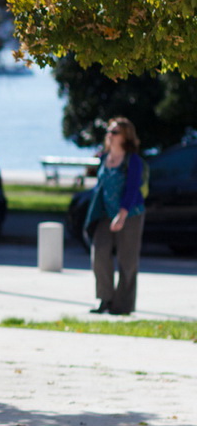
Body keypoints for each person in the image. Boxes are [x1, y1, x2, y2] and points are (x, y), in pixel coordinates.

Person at [83, 117, 146, 315]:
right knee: (99, 254)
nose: (110, 134)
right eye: (109, 131)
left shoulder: (132, 160)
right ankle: (104, 299)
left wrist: (122, 214)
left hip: (130, 214)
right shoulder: (104, 157)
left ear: (125, 136)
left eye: (115, 132)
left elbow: (132, 189)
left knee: (127, 260)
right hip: (104, 214)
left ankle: (123, 306)